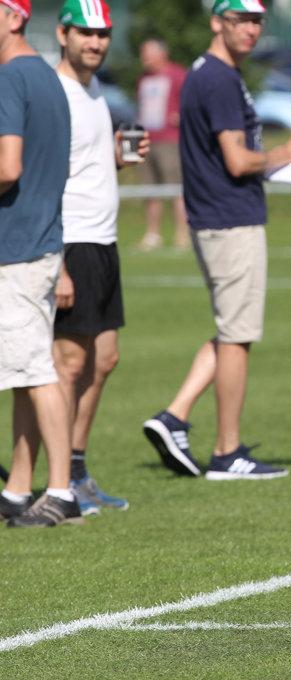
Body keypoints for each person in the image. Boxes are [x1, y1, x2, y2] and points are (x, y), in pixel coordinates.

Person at [142, 0, 291, 480]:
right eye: (241, 20)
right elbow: (238, 160)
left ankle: (173, 416)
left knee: (229, 327)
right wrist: (289, 151)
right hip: (230, 219)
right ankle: (227, 452)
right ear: (218, 22)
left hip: (217, 216)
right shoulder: (217, 78)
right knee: (239, 336)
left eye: (258, 21)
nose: (252, 30)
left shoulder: (208, 73)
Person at [53, 0, 148, 515]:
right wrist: (59, 261)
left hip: (104, 242)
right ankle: (58, 481)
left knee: (104, 360)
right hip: (72, 242)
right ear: (63, 33)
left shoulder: (95, 93)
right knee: (68, 366)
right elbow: (44, 178)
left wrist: (117, 158)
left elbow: (83, 163)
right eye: (86, 33)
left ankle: (77, 467)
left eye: (103, 34)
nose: (95, 42)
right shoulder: (55, 92)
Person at [0, 0, 80, 526]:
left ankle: (62, 490)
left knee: (36, 371)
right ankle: (17, 490)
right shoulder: (50, 78)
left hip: (18, 247)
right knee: (24, 370)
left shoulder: (10, 78)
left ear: (12, 16)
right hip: (42, 244)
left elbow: (8, 168)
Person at [136, 37, 189, 250]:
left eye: (148, 53)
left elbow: (192, 104)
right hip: (147, 140)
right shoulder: (142, 79)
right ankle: (152, 234)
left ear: (161, 53)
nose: (144, 58)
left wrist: (182, 117)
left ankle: (182, 234)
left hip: (170, 141)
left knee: (176, 189)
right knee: (150, 191)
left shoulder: (178, 75)